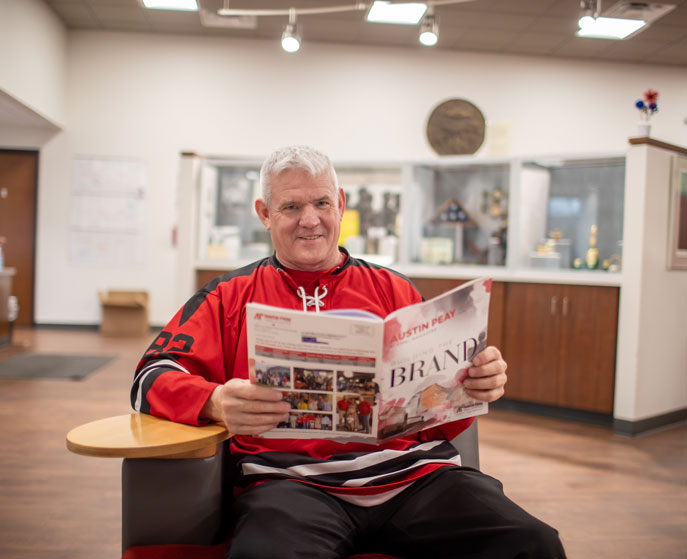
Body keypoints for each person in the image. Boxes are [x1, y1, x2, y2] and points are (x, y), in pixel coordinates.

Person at [131, 145, 565, 559]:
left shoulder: (394, 289)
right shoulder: (227, 296)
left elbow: (441, 415)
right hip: (290, 486)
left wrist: (474, 385)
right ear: (264, 213)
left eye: (322, 203)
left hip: (417, 478)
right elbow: (149, 377)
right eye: (290, 207)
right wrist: (214, 402)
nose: (310, 220)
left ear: (340, 203)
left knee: (533, 543)